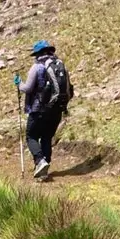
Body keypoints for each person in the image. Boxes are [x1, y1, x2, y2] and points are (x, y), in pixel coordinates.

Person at [21, 40, 73, 181]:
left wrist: (19, 83)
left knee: (31, 136)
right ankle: (44, 170)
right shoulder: (61, 65)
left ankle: (40, 161)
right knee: (46, 137)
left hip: (39, 109)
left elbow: (28, 89)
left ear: (38, 54)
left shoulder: (37, 67)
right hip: (57, 109)